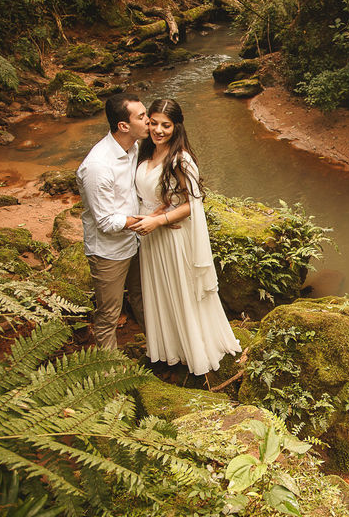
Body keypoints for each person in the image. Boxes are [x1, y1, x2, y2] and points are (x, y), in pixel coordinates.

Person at [129, 98, 241, 374]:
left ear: (176, 127)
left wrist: (160, 219)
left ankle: (194, 349)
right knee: (160, 291)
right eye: (153, 123)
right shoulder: (145, 152)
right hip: (150, 236)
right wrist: (153, 215)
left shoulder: (181, 159)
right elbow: (158, 195)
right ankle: (171, 348)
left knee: (180, 291)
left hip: (171, 236)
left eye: (165, 125)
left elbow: (192, 203)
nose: (158, 130)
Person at [75, 93, 148, 349]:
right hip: (109, 252)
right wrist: (145, 221)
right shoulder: (97, 166)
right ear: (123, 126)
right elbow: (105, 221)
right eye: (142, 117)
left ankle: (157, 349)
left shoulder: (133, 147)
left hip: (135, 241)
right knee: (108, 314)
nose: (149, 120)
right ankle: (109, 373)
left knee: (142, 297)